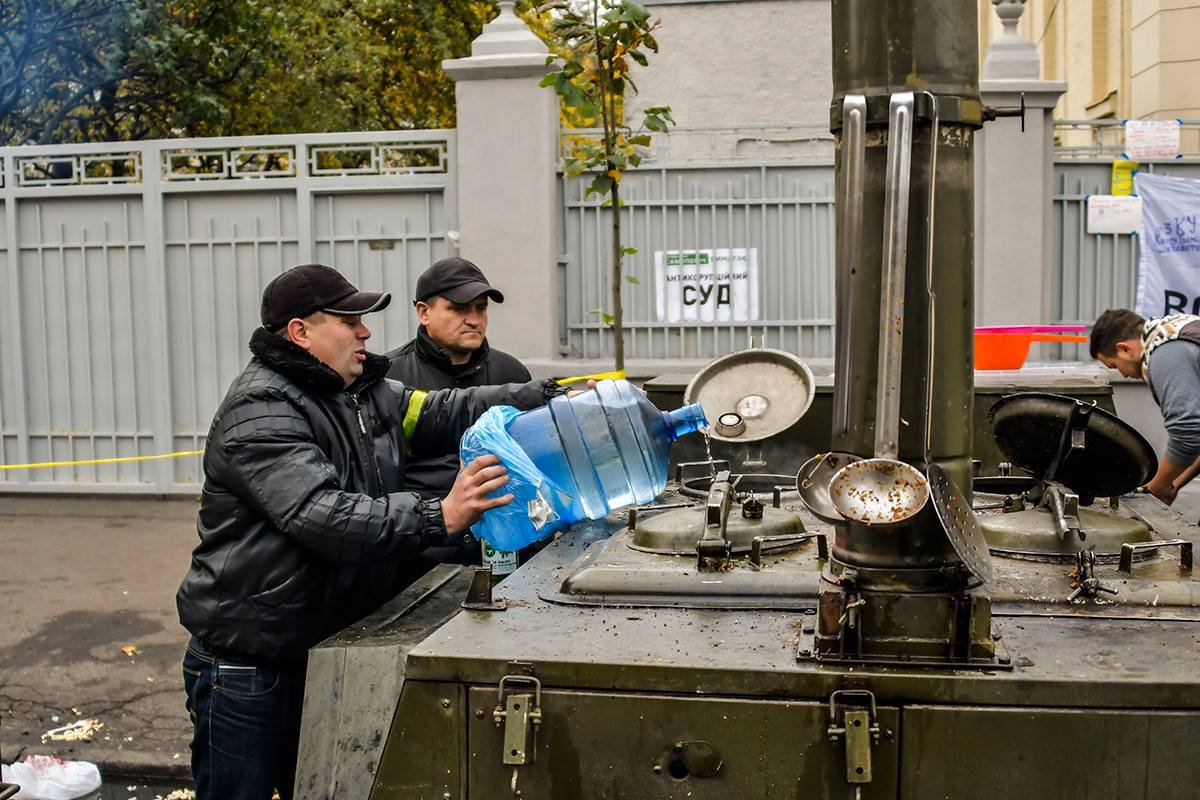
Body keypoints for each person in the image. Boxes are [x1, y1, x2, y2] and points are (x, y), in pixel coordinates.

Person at [175, 263, 563, 800]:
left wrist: (537, 396)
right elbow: (322, 514)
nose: (365, 331)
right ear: (300, 332)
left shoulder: (359, 391)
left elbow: (442, 409)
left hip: (323, 644)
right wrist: (440, 514)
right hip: (253, 663)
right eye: (349, 319)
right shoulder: (261, 409)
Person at [386, 256, 532, 500]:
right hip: (425, 532)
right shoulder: (390, 378)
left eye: (481, 308)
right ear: (424, 312)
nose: (474, 319)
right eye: (459, 308)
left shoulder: (512, 373)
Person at [1090, 308, 1200, 505]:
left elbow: (1187, 433)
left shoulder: (1166, 352)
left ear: (1125, 349)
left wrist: (1156, 488)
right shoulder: (1179, 330)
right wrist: (1172, 484)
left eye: (1114, 366)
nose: (1122, 375)